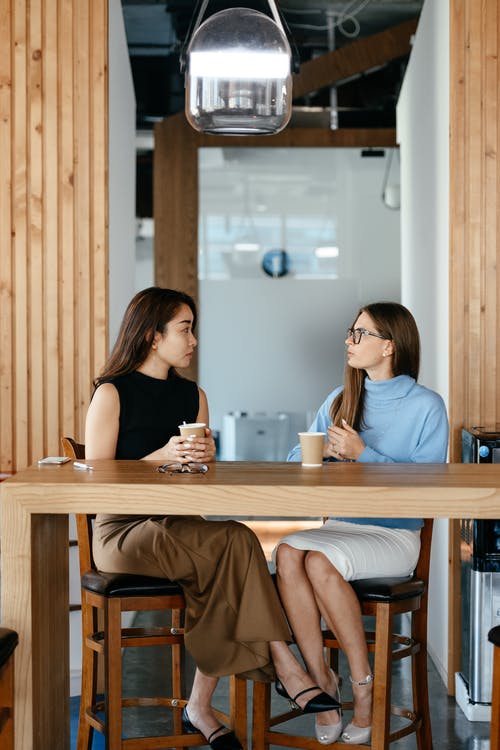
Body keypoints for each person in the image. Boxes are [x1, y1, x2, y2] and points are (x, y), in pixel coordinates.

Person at [85, 286, 339, 750]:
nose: (193, 340)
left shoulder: (193, 396)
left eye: (192, 329)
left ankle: (203, 706)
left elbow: (198, 479)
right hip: (123, 531)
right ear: (150, 335)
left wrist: (204, 461)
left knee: (231, 553)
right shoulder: (111, 392)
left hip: (179, 527)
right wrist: (158, 457)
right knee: (235, 545)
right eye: (184, 329)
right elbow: (97, 478)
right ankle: (285, 664)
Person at [274, 301, 449, 745]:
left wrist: (362, 455)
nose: (348, 341)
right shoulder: (340, 399)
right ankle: (321, 684)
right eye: (350, 333)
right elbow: (297, 458)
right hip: (343, 529)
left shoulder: (426, 405)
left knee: (314, 560)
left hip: (394, 533)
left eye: (360, 334)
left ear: (388, 346)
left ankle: (363, 688)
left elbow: (429, 483)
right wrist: (325, 455)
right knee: (289, 551)